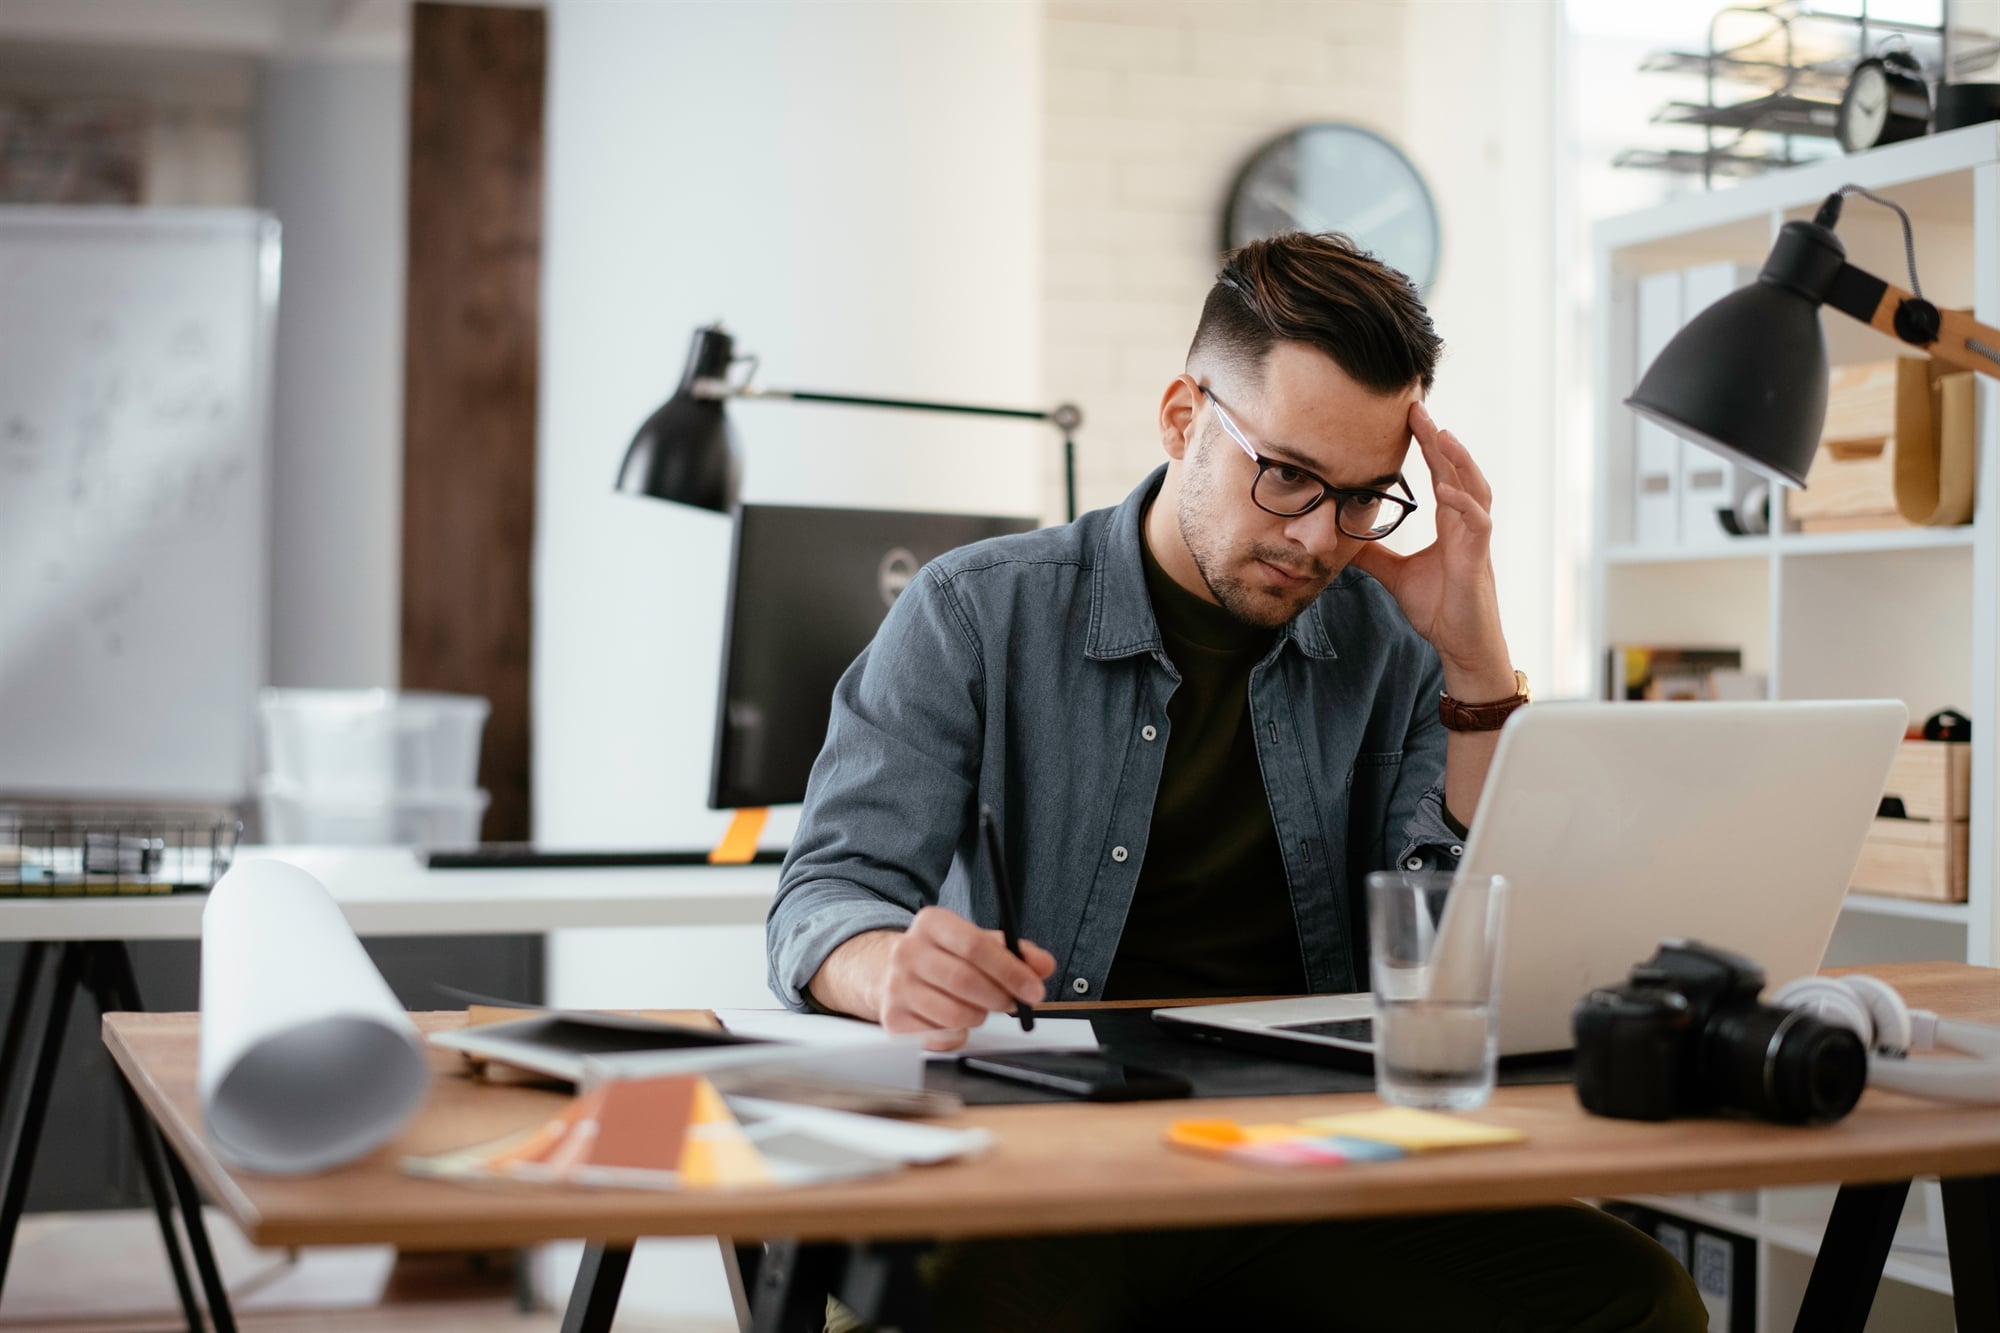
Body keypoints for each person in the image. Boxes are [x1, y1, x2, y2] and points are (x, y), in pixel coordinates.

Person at [766, 231, 1705, 1332]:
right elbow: (826, 892)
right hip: (1052, 1171)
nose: (1317, 539)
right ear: (1181, 418)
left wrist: (1473, 662)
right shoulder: (974, 612)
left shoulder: (1392, 644)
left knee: (1633, 1299)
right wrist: (886, 971)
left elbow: (1451, 935)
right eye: (1288, 477)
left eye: (1362, 498)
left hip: (1314, 1160)